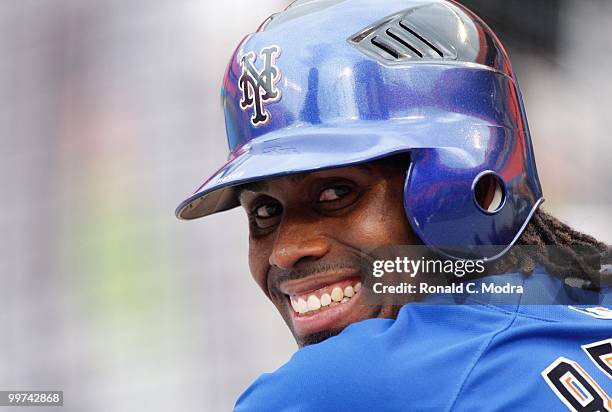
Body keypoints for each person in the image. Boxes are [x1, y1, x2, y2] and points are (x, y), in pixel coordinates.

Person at [176, 0, 611, 410]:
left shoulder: (338, 386)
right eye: (265, 212)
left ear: (457, 187)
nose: (286, 250)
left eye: (335, 193)